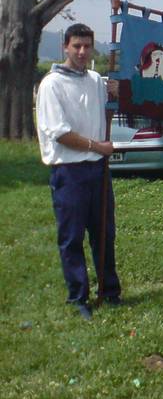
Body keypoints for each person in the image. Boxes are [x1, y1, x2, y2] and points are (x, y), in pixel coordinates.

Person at [36, 23, 122, 319]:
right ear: (66, 47)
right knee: (72, 237)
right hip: (69, 172)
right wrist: (97, 147)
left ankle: (109, 291)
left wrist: (115, 93)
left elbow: (108, 110)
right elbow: (59, 133)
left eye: (87, 46)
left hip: (98, 171)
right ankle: (78, 297)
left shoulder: (96, 79)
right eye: (77, 46)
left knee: (103, 233)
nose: (83, 52)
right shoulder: (52, 84)